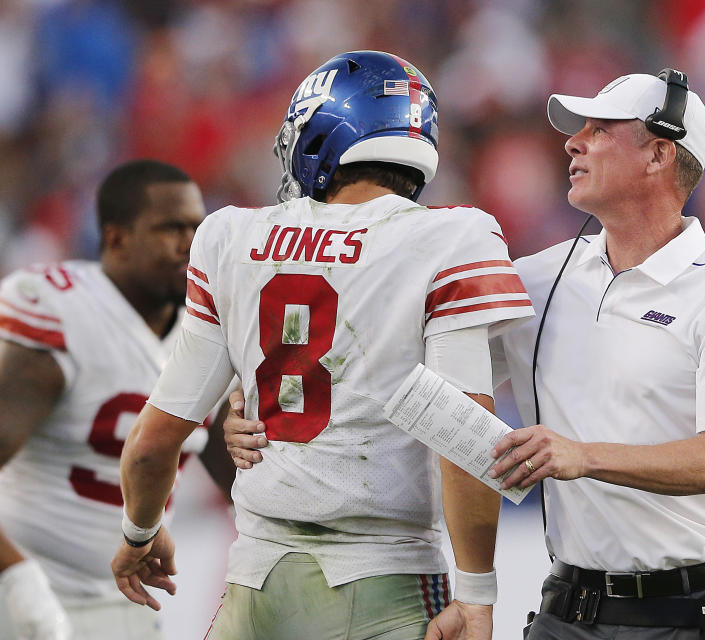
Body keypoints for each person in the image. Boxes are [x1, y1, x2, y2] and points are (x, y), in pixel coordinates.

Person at [109, 50, 534, 640]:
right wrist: (477, 594)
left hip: (254, 588)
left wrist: (139, 533)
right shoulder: (451, 237)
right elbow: (464, 432)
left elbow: (154, 445)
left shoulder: (231, 235)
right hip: (383, 585)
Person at [484, 70, 705, 639]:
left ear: (658, 154)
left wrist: (585, 455)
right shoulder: (533, 280)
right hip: (570, 608)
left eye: (601, 129)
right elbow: (431, 372)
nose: (574, 141)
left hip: (704, 609)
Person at [0, 159, 236, 640]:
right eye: (171, 228)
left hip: (126, 602)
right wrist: (15, 578)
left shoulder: (209, 333)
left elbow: (241, 481)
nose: (190, 244)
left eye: (197, 227)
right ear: (117, 238)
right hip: (29, 597)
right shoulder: (64, 316)